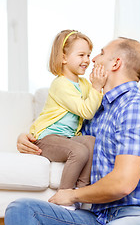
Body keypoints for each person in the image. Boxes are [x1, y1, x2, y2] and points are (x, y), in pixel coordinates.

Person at [5, 37, 140, 225]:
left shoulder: (136, 107)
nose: (93, 59)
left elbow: (122, 183)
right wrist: (27, 137)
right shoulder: (96, 112)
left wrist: (71, 194)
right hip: (100, 217)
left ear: (116, 63)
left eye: (101, 53)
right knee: (21, 209)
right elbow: (65, 138)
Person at [17, 30, 107, 208]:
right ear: (64, 57)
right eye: (81, 55)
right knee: (79, 151)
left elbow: (97, 101)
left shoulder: (83, 84)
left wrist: (99, 84)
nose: (87, 60)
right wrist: (97, 87)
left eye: (88, 55)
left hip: (67, 138)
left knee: (91, 142)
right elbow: (86, 110)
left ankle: (82, 194)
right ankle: (64, 196)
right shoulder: (60, 84)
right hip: (46, 138)